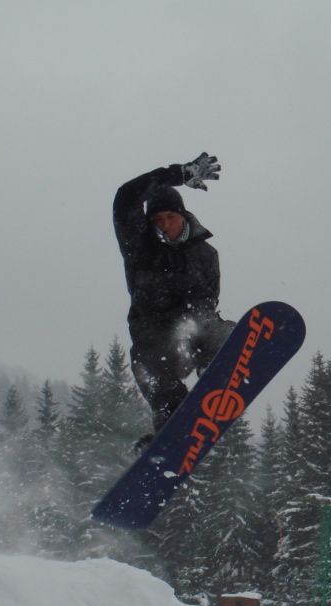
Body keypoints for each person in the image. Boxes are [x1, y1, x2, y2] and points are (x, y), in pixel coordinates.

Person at [112, 153, 235, 446]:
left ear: (183, 216)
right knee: (145, 360)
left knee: (218, 327)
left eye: (170, 217)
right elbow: (126, 197)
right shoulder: (139, 247)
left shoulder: (205, 254)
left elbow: (209, 299)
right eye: (157, 219)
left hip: (195, 329)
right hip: (156, 335)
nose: (165, 224)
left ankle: (218, 366)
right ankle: (173, 422)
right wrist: (177, 174)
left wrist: (209, 348)